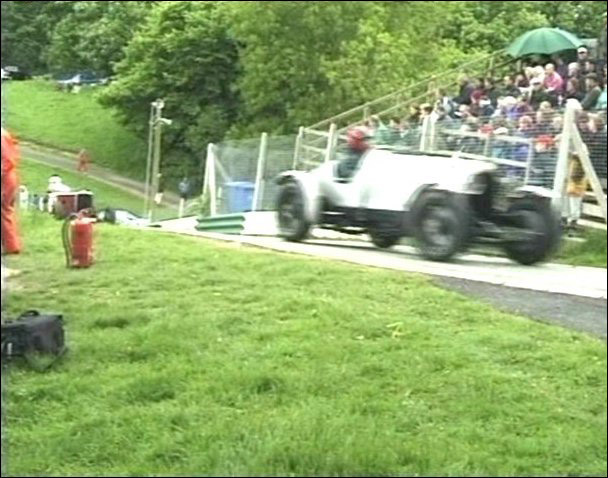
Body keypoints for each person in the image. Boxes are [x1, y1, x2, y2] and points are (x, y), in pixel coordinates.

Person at [1, 128, 22, 254]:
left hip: (5, 179)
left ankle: (11, 246)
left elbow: (7, 161)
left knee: (4, 210)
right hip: (8, 177)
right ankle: (10, 246)